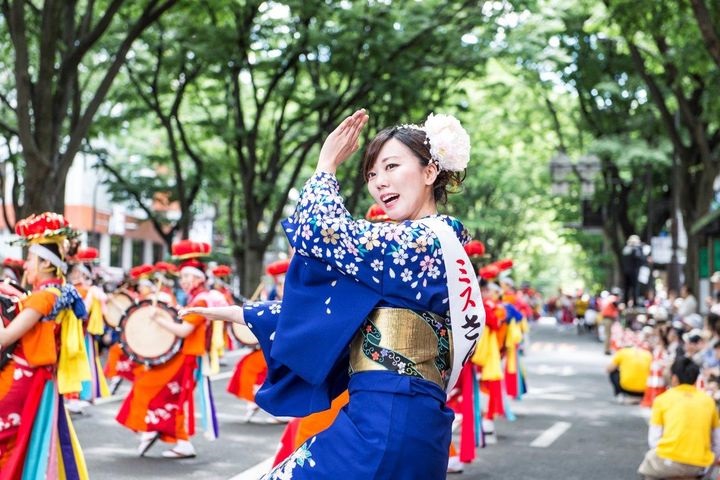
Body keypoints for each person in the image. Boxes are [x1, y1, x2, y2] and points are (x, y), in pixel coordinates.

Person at [180, 109, 484, 478]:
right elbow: (344, 312)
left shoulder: (420, 241)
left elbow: (320, 231)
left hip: (386, 420)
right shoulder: (417, 247)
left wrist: (326, 165)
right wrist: (241, 312)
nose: (379, 182)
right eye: (372, 174)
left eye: (391, 167)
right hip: (394, 417)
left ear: (430, 172)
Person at [0, 212, 90, 478]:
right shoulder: (58, 293)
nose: (26, 266)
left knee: (7, 435)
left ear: (45, 264)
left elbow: (4, 338)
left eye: (30, 259)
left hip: (25, 376)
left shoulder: (43, 298)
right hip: (36, 376)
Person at [115, 240, 216, 459]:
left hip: (189, 357)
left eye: (188, 276)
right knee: (164, 392)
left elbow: (184, 331)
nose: (184, 281)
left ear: (199, 278)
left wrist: (159, 320)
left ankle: (174, 437)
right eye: (183, 277)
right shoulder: (196, 298)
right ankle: (166, 433)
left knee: (166, 393)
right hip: (183, 355)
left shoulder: (202, 300)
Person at [638, 356, 720, 479]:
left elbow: (654, 440)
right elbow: (717, 441)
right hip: (699, 465)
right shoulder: (708, 401)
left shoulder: (662, 399)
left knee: (646, 469)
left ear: (674, 378)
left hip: (669, 460)